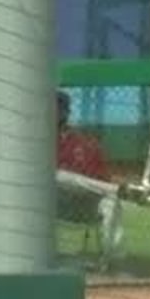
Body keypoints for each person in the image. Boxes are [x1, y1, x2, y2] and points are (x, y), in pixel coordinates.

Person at [54, 91, 133, 271]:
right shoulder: (32, 141)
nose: (53, 113)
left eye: (58, 108)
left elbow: (101, 175)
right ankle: (115, 189)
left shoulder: (86, 144)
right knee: (55, 175)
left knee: (110, 203)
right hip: (50, 204)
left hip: (83, 205)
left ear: (66, 112)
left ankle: (113, 263)